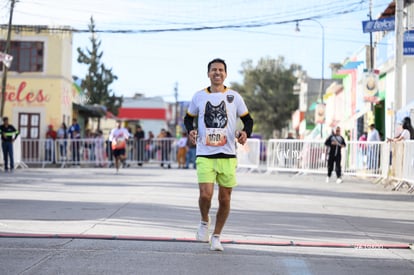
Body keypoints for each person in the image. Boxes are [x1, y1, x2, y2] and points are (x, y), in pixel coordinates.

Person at [184, 58, 253, 251]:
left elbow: (248, 120)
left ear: (225, 74)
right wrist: (190, 130)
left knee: (225, 199)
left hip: (228, 155)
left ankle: (216, 236)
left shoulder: (234, 97)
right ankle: (204, 221)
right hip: (205, 153)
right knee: (205, 195)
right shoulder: (199, 96)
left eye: (221, 70)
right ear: (208, 74)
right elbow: (188, 119)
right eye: (213, 70)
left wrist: (245, 132)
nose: (217, 73)